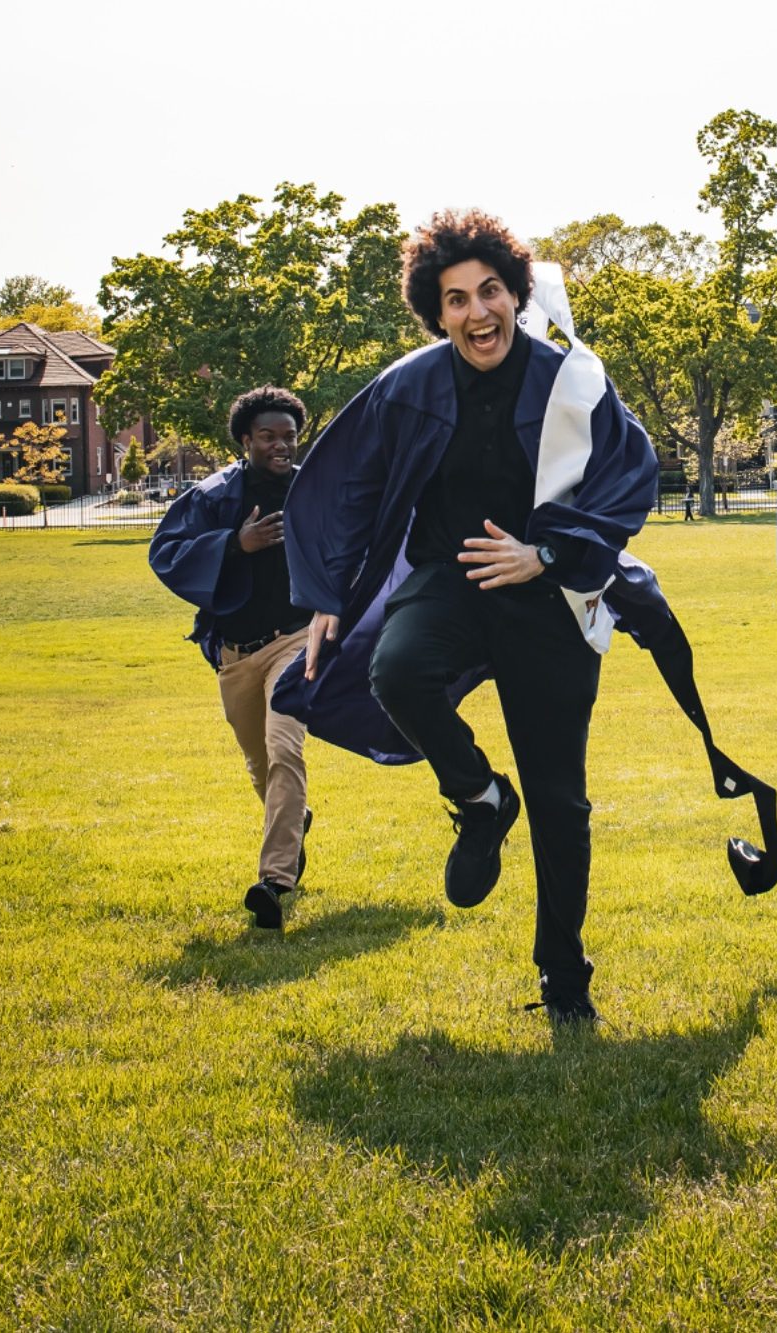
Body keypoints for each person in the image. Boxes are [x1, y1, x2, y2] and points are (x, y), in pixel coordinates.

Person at [280, 210, 661, 1028]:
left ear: (516, 293)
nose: (476, 312)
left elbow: (630, 477)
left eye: (490, 291)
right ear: (436, 311)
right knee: (395, 669)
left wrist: (545, 553)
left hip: (547, 598)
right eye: (455, 299)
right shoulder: (410, 385)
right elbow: (346, 482)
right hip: (448, 580)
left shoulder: (570, 381)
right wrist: (327, 592)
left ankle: (564, 974)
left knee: (559, 795)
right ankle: (480, 796)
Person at [149, 386, 314, 930]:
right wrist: (234, 544)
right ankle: (294, 820)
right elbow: (165, 552)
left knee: (284, 747)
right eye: (268, 436)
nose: (281, 444)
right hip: (236, 653)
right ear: (246, 440)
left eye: (289, 435)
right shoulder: (214, 496)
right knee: (259, 764)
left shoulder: (314, 488)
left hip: (295, 640)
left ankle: (275, 881)